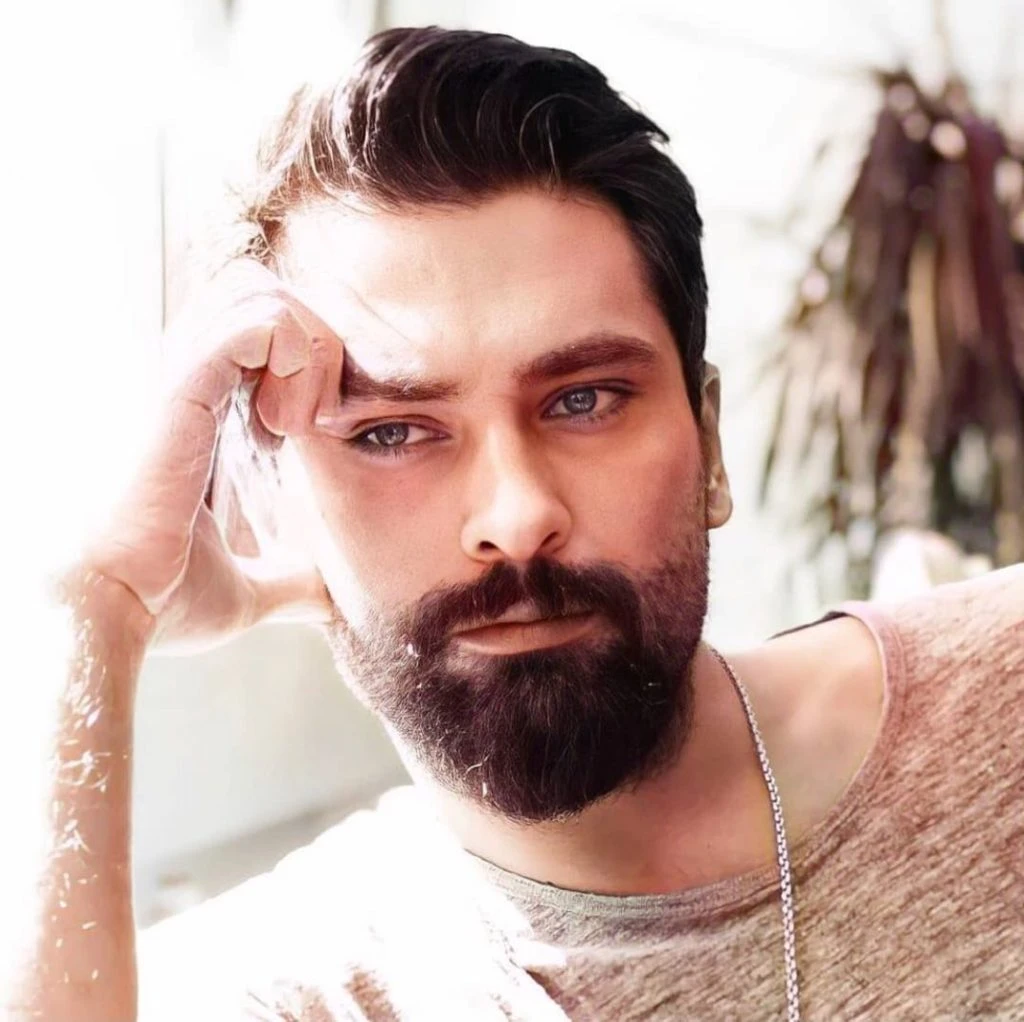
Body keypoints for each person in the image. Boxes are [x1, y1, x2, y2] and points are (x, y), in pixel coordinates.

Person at [5, 24, 1022, 1022]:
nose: (519, 514)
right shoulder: (288, 984)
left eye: (583, 399)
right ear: (273, 508)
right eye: (393, 431)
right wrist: (94, 608)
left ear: (708, 446)